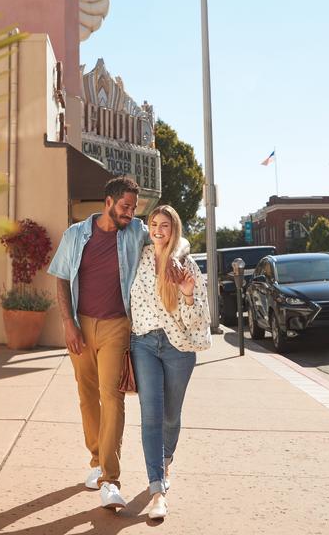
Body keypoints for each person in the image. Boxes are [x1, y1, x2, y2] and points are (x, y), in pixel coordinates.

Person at [46, 176, 148, 510]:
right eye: (125, 207)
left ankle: (110, 479)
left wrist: (181, 253)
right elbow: (61, 278)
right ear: (108, 202)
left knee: (113, 398)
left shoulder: (136, 232)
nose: (130, 213)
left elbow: (168, 239)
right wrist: (68, 324)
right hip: (81, 326)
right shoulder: (75, 235)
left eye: (133, 208)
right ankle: (95, 461)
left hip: (117, 326)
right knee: (87, 397)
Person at [128, 204, 211, 520]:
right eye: (154, 224)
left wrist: (188, 294)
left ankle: (166, 460)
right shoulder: (142, 257)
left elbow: (198, 320)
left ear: (174, 228)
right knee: (151, 415)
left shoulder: (187, 265)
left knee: (170, 416)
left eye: (165, 224)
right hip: (144, 343)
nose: (158, 230)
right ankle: (157, 490)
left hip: (179, 348)